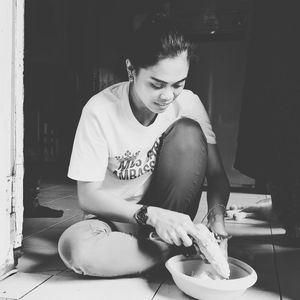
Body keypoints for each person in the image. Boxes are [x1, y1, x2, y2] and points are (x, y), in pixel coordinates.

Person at [58, 13, 230, 277]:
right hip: (115, 221)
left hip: (170, 213)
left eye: (178, 85)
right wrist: (151, 216)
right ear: (131, 70)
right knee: (75, 249)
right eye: (157, 84)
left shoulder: (188, 104)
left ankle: (154, 251)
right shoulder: (99, 111)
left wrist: (218, 220)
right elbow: (88, 196)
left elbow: (217, 175)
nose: (167, 96)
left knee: (188, 132)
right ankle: (173, 252)